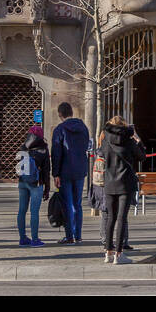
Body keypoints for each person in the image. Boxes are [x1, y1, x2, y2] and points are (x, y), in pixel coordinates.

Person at [100, 115, 146, 265]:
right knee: (121, 218)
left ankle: (108, 252)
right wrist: (139, 142)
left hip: (109, 182)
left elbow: (101, 154)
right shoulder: (129, 140)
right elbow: (141, 157)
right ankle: (119, 254)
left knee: (110, 218)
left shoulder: (105, 140)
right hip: (125, 182)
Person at [51, 102, 90, 245]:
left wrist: (55, 173)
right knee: (77, 204)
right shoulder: (83, 128)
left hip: (65, 171)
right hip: (80, 170)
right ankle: (78, 235)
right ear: (72, 112)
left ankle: (70, 236)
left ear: (60, 114)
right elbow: (86, 146)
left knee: (67, 204)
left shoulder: (60, 129)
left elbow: (56, 152)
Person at [16, 122, 51, 247]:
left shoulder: (23, 147)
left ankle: (22, 238)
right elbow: (46, 171)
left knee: (21, 210)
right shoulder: (43, 149)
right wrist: (47, 189)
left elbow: (18, 166)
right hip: (36, 184)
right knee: (34, 212)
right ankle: (35, 240)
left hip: (22, 182)